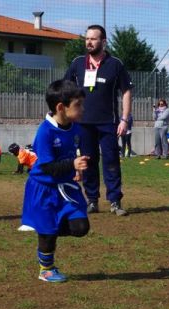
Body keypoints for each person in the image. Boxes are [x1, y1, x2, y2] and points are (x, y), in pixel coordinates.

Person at [21, 79, 90, 282]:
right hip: (43, 189)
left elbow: (75, 151)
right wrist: (72, 165)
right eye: (78, 105)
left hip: (66, 188)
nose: (82, 109)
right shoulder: (45, 132)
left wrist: (79, 167)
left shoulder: (75, 127)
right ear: (61, 107)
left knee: (81, 228)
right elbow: (47, 168)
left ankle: (47, 229)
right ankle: (46, 269)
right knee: (48, 232)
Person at [64, 24, 132, 216]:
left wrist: (125, 119)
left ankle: (115, 202)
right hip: (83, 124)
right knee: (88, 161)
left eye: (93, 39)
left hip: (108, 123)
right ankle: (92, 200)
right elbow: (66, 89)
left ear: (103, 41)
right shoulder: (78, 63)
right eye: (87, 39)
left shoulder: (115, 64)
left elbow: (127, 91)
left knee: (111, 161)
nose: (89, 42)